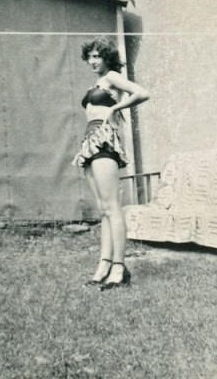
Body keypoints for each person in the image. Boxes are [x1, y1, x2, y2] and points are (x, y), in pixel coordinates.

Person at [72, 37, 150, 291]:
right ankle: (104, 265)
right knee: (104, 209)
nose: (94, 61)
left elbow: (142, 93)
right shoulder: (97, 82)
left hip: (105, 142)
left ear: (107, 58)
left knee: (113, 207)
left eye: (98, 56)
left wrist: (116, 107)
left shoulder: (113, 77)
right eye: (91, 57)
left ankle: (119, 267)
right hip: (90, 140)